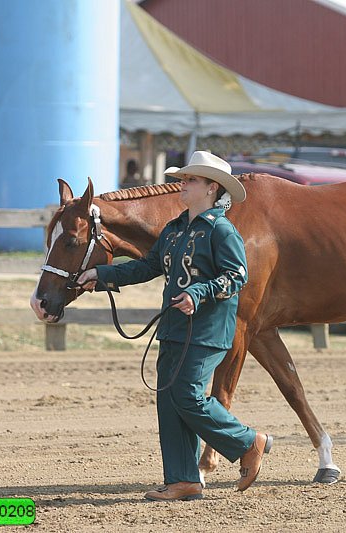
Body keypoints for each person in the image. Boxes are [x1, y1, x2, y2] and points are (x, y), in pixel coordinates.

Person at [77, 151, 272, 502]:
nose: (183, 183)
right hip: (173, 328)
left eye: (192, 180)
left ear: (212, 188)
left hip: (207, 330)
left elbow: (237, 276)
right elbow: (147, 267)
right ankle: (184, 480)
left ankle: (248, 442)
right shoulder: (176, 228)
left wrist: (199, 292)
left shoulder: (221, 230)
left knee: (187, 395)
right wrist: (101, 274)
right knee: (169, 400)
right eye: (185, 178)